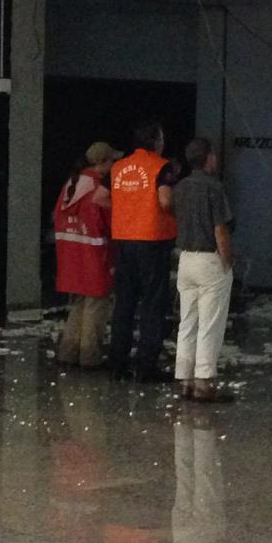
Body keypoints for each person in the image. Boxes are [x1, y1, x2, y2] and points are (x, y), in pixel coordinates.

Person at [109, 120, 177, 382]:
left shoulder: (118, 167)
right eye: (161, 138)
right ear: (155, 141)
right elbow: (165, 200)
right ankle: (147, 366)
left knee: (124, 303)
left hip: (124, 239)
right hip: (152, 239)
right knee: (152, 303)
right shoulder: (161, 167)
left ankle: (117, 362)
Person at [172, 137, 234, 403]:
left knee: (188, 322)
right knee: (210, 325)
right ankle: (204, 383)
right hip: (209, 260)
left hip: (185, 258)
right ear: (208, 157)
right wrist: (227, 261)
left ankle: (184, 380)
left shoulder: (180, 187)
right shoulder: (214, 187)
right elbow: (220, 229)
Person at [53, 141, 121, 368]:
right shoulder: (97, 187)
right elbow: (109, 222)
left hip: (71, 254)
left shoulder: (72, 184)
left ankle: (68, 351)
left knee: (79, 303)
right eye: (112, 160)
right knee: (96, 305)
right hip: (94, 254)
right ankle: (90, 356)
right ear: (102, 163)